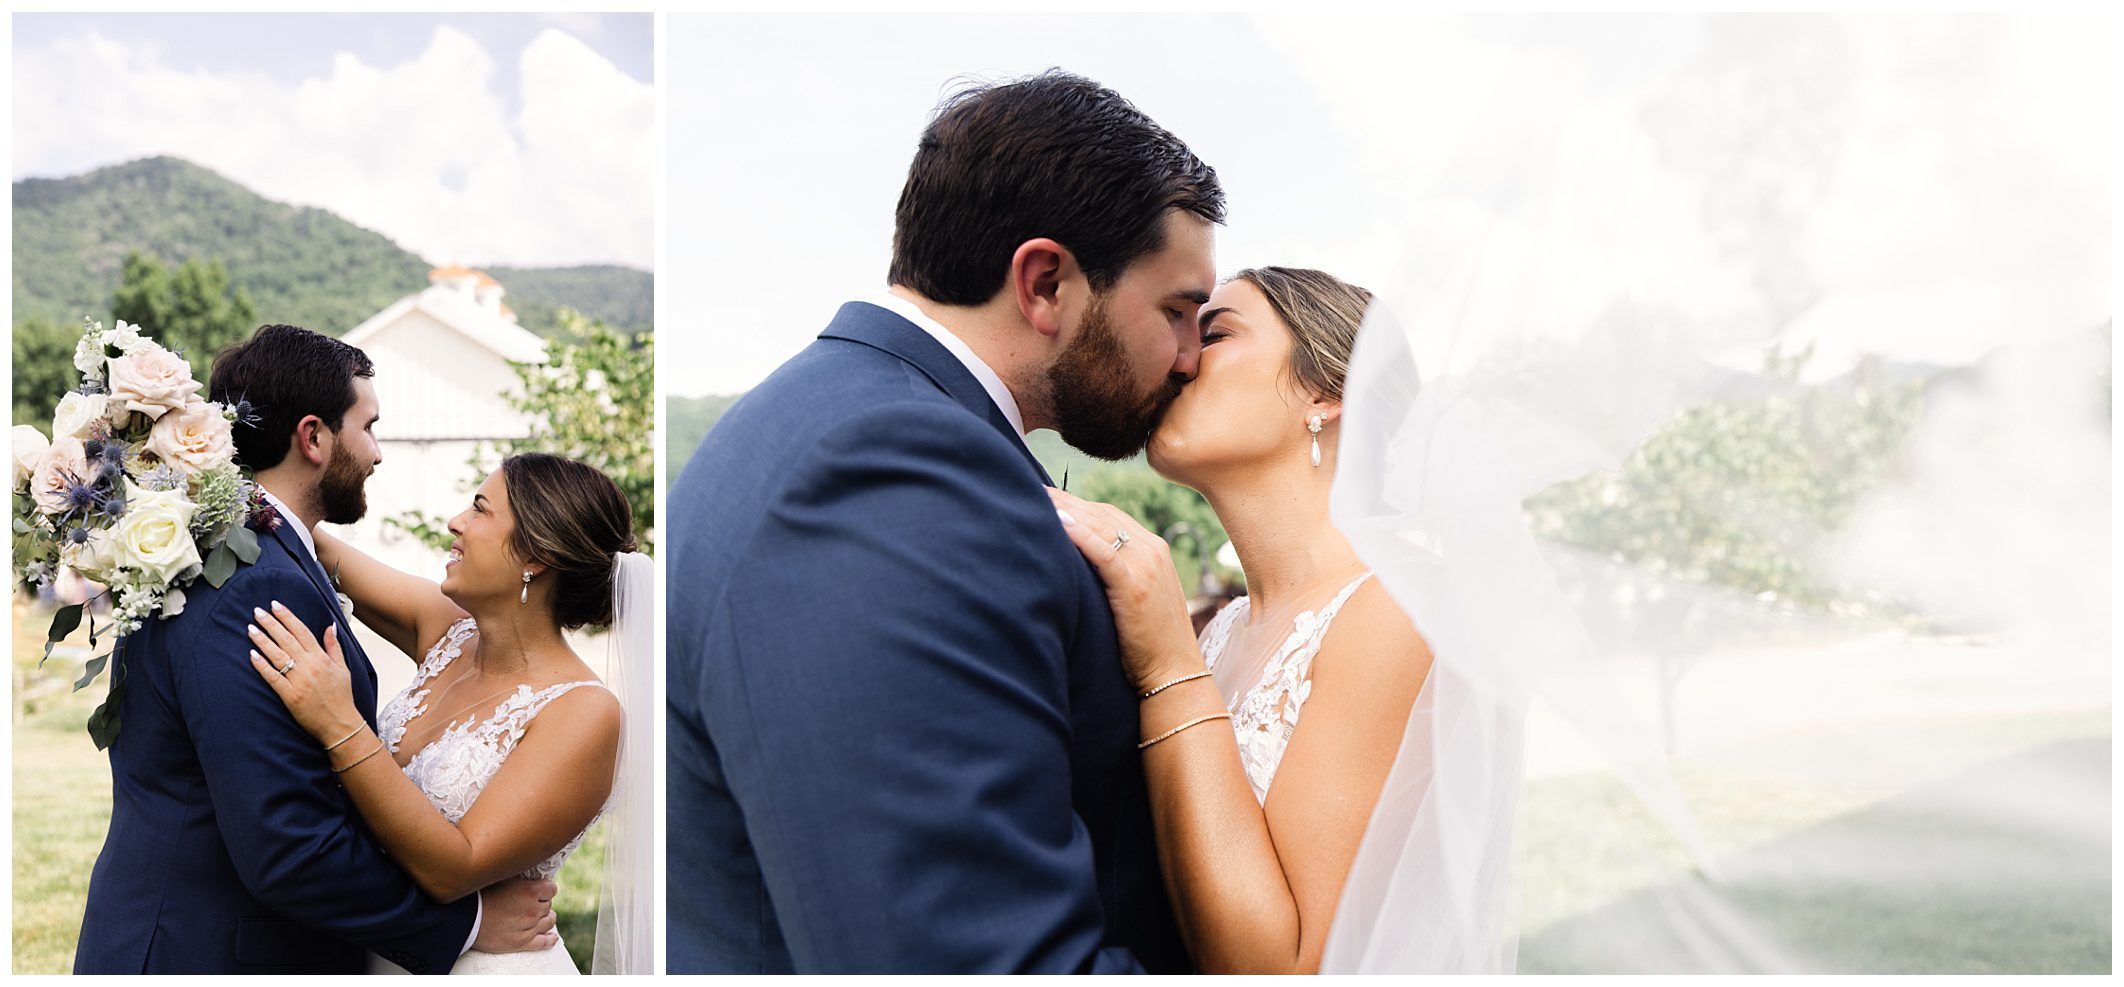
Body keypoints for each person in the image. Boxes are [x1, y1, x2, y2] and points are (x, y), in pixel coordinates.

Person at [665, 69, 1221, 973]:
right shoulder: (896, 472)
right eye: (1176, 311)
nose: (1192, 358)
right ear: (1045, 282)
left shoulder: (823, 415)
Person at [74, 325, 558, 974]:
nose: (379, 452)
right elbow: (287, 844)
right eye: (369, 426)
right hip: (210, 951)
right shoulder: (256, 581)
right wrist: (466, 923)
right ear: (314, 438)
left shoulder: (209, 545)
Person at [1049, 268, 1434, 974]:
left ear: (1325, 393)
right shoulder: (1222, 627)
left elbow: (1284, 968)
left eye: (1214, 331)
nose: (1180, 356)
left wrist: (1169, 664)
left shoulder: (1394, 613)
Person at [246, 450, 653, 974]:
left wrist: (338, 721)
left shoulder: (584, 713)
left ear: (536, 555)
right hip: (384, 950)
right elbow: (314, 545)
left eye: (481, 510)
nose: (455, 522)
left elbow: (454, 867)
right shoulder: (447, 630)